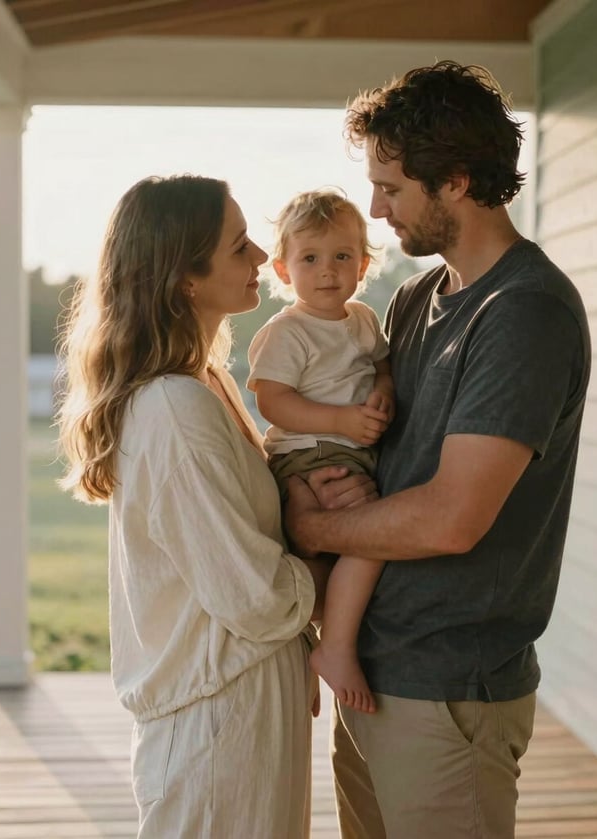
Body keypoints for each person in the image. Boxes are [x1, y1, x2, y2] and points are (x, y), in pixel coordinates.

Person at [283, 61, 592, 839]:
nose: (376, 208)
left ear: (454, 180)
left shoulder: (524, 312)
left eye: (391, 187)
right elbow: (383, 460)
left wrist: (314, 530)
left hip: (451, 692)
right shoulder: (421, 296)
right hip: (372, 671)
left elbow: (451, 518)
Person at [56, 174, 362, 838]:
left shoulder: (210, 380)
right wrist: (323, 560)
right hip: (218, 724)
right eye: (238, 245)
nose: (261, 257)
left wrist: (307, 495)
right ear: (185, 277)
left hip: (250, 704)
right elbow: (252, 593)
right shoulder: (172, 407)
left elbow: (241, 534)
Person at [247, 188, 394, 714]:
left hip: (350, 447)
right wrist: (342, 420)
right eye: (310, 259)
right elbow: (273, 401)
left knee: (347, 550)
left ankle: (322, 638)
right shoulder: (287, 332)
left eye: (341, 257)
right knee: (371, 536)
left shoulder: (363, 321)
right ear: (284, 271)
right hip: (309, 452)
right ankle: (334, 644)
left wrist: (384, 393)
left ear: (364, 264)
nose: (328, 271)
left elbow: (380, 365)